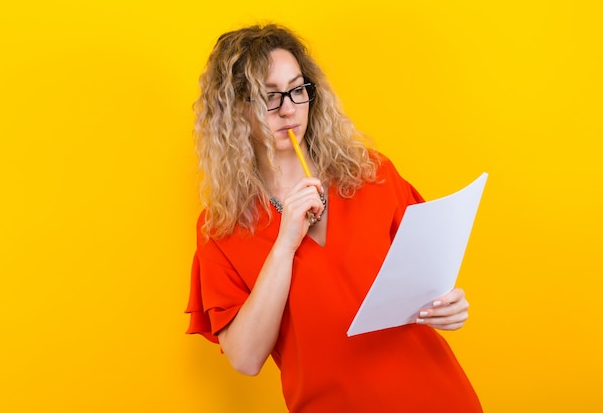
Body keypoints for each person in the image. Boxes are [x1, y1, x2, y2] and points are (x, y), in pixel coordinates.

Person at [186, 23, 483, 412]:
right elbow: (244, 358)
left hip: (437, 397)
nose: (289, 109)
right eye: (268, 97)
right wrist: (285, 244)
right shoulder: (222, 228)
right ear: (236, 110)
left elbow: (426, 280)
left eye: (296, 89)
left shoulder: (372, 175)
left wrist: (447, 305)